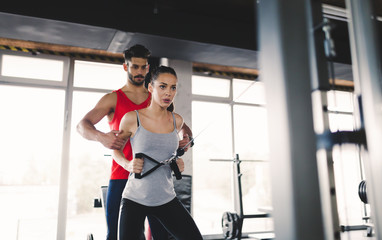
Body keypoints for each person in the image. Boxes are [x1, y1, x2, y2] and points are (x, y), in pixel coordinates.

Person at [77, 44, 193, 240]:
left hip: (156, 180)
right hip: (122, 176)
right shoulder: (113, 99)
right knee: (115, 235)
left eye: (143, 67)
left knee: (159, 236)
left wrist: (186, 137)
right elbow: (82, 125)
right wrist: (102, 137)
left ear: (148, 68)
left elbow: (179, 124)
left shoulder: (158, 95)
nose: (139, 71)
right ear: (126, 67)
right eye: (134, 67)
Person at [113, 66, 203, 240]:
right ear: (151, 88)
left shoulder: (176, 120)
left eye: (173, 87)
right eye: (162, 86)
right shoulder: (132, 118)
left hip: (166, 198)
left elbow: (169, 152)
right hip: (135, 199)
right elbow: (116, 149)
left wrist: (177, 162)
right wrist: (128, 164)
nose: (168, 92)